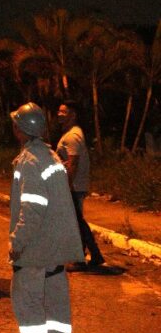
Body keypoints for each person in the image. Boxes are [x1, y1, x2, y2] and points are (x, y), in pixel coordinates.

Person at [9, 102, 84, 333]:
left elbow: (32, 208)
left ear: (20, 129)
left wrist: (17, 243)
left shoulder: (30, 161)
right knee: (56, 304)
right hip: (55, 247)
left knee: (26, 301)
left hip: (37, 247)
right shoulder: (50, 155)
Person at [56, 100, 105, 269]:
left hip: (74, 185)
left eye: (64, 112)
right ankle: (93, 255)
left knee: (76, 222)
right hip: (74, 184)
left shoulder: (72, 136)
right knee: (77, 221)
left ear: (73, 115)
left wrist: (67, 185)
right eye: (59, 111)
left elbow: (73, 163)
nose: (59, 114)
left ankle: (81, 259)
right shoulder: (71, 133)